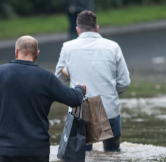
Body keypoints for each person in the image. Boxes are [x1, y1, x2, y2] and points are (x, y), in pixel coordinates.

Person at [0, 36, 87, 162]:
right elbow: (74, 99)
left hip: (8, 151)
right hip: (38, 151)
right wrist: (79, 89)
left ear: (16, 52)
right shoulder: (46, 77)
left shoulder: (0, 74)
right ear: (37, 54)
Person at [55, 11, 131, 152]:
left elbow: (58, 79)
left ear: (78, 30)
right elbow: (124, 81)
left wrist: (70, 74)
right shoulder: (113, 47)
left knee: (81, 157)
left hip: (81, 108)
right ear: (97, 28)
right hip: (108, 107)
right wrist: (111, 93)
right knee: (112, 155)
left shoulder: (68, 47)